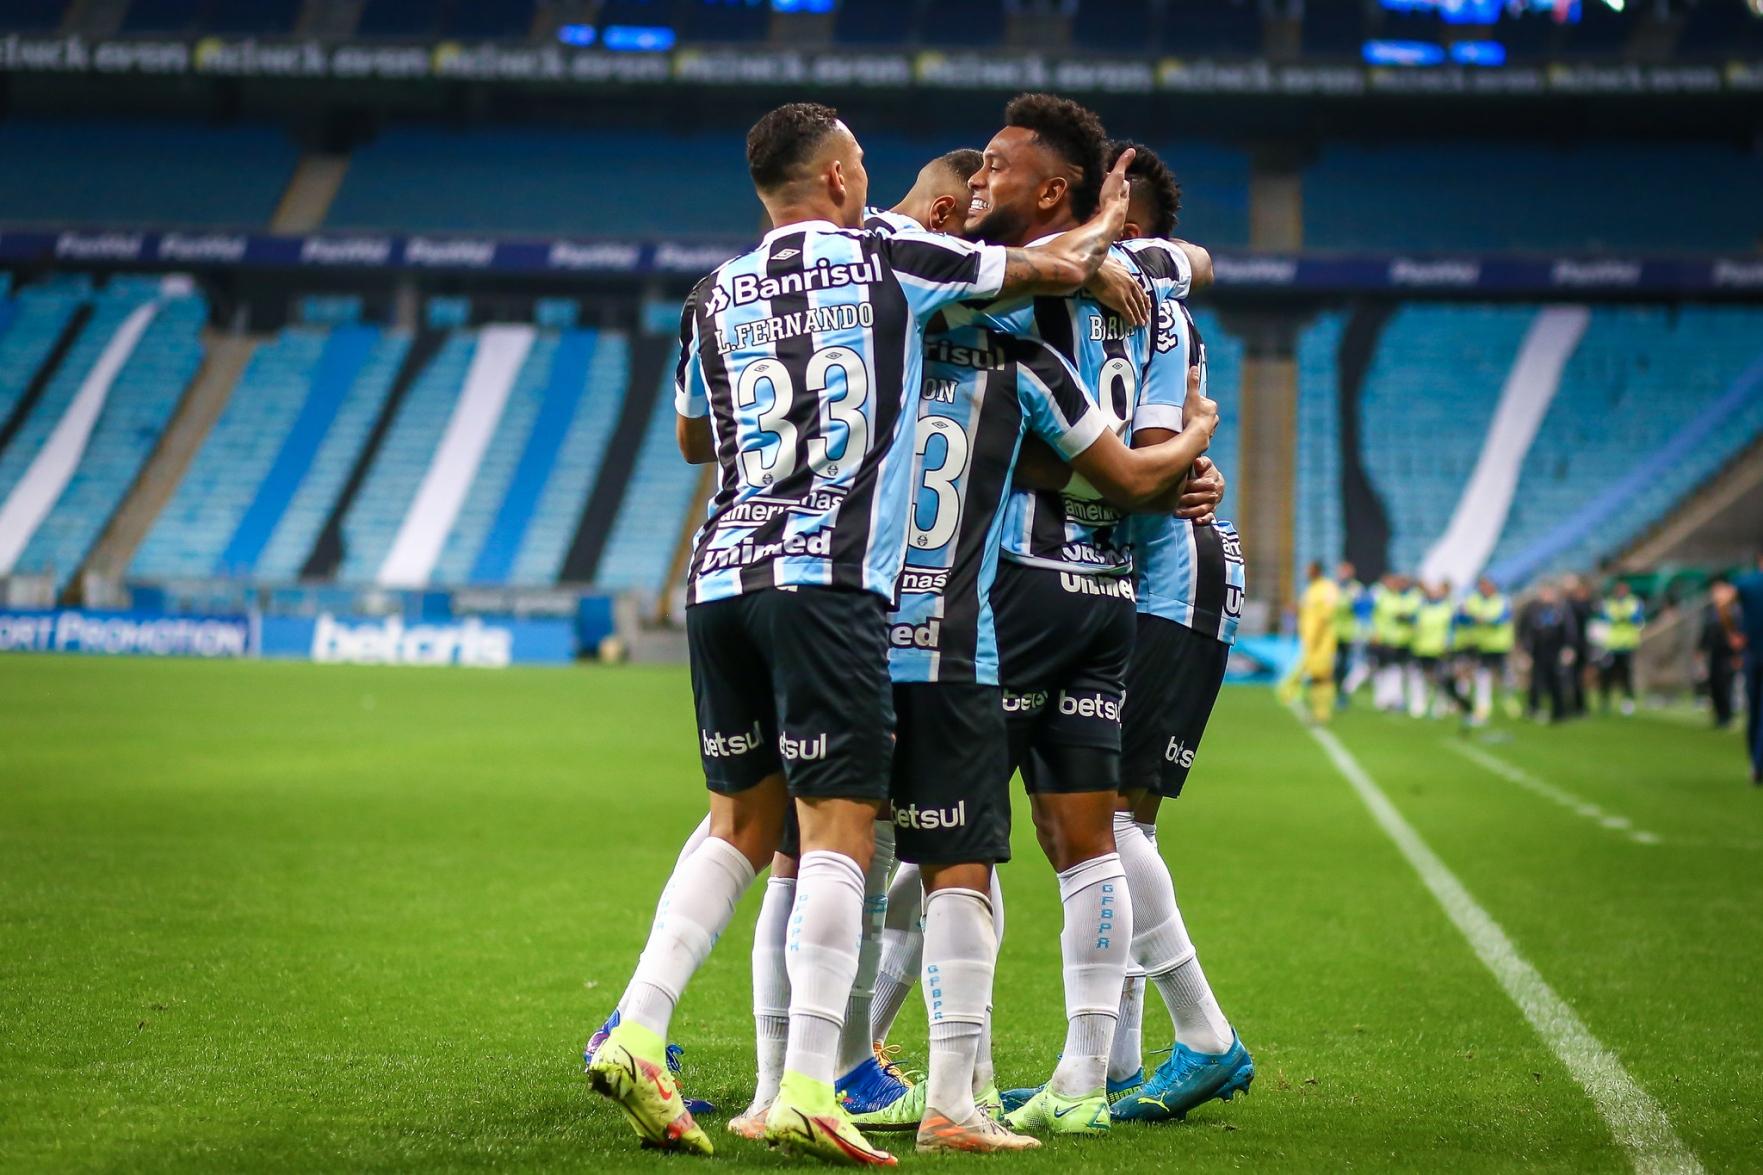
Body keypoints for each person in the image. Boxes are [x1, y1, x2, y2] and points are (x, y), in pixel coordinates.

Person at [585, 101, 1129, 1165]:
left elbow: (696, 431)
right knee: (839, 826)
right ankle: (804, 1084)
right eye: (861, 167)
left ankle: (639, 1026)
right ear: (837, 180)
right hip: (828, 576)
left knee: (737, 827)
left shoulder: (713, 291)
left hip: (718, 570)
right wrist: (1106, 225)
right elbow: (1040, 273)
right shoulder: (886, 258)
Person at [1411, 581, 1470, 722]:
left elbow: (1457, 625)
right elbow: (1415, 623)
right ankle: (1419, 705)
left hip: (1440, 649)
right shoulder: (1422, 607)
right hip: (1422, 648)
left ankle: (1440, 706)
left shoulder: (1448, 608)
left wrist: (1448, 644)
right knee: (1423, 678)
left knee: (1441, 679)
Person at [1520, 582, 1577, 725]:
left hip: (1556, 650)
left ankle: (1559, 711)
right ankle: (1533, 708)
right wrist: (1526, 651)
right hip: (1538, 651)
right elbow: (1527, 631)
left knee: (1557, 681)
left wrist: (1569, 648)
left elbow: (1569, 630)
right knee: (1536, 680)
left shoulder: (1561, 609)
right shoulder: (1533, 610)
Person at [1459, 577, 1514, 725]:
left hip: (1499, 645)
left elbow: (1504, 618)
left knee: (1504, 675)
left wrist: (1487, 620)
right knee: (1482, 676)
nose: (1484, 589)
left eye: (1487, 586)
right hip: (1481, 645)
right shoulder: (1472, 600)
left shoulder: (1503, 600)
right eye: (1482, 586)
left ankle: (1509, 699)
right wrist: (1469, 617)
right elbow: (1461, 618)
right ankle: (1483, 707)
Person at [1295, 562, 1340, 723]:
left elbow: (1327, 615)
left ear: (1317, 570)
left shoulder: (1327, 588)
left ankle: (1323, 712)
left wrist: (1317, 638)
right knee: (1316, 677)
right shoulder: (1311, 589)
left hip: (1322, 642)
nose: (1307, 572)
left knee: (1323, 677)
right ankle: (1318, 711)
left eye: (1309, 569)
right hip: (1310, 641)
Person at [1595, 580, 1645, 716]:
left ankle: (1628, 702)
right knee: (1606, 675)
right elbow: (1604, 618)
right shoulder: (1609, 603)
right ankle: (1605, 701)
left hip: (1627, 645)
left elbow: (1639, 619)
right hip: (1611, 645)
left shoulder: (1634, 602)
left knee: (1626, 675)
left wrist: (1625, 617)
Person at [1735, 551, 1763, 785]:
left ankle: (1755, 763)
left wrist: (1732, 633)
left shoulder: (1747, 582)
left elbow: (1723, 602)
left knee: (1753, 709)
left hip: (1753, 652)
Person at [1700, 578, 1741, 730]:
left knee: (1726, 684)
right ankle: (1719, 715)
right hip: (1714, 651)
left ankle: (1727, 716)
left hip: (1728, 653)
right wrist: (1701, 648)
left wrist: (1738, 655)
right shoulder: (1712, 611)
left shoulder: (1734, 611)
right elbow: (1706, 631)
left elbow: (1737, 635)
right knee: (1714, 683)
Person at [1333, 561, 1366, 707]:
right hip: (1333, 632)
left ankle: (1342, 692)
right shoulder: (1333, 587)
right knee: (1334, 664)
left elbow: (1360, 609)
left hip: (1349, 633)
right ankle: (1335, 691)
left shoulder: (1356, 588)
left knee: (1346, 665)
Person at [1563, 575, 1594, 717]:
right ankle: (1574, 705)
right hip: (1573, 646)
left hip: (1582, 647)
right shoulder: (1570, 604)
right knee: (1572, 677)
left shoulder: (1586, 605)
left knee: (1579, 678)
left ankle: (1579, 706)